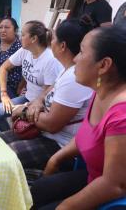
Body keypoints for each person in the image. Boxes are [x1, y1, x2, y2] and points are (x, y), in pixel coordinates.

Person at [31, 26, 126, 209]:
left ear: (104, 65)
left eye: (82, 52)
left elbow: (115, 186)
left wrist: (65, 207)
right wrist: (55, 159)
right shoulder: (100, 93)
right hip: (93, 176)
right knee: (39, 189)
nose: (75, 58)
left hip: (112, 196)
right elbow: (86, 134)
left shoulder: (121, 114)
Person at [0, 19, 93, 176]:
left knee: (1, 156)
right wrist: (38, 101)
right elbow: (49, 90)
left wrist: (22, 111)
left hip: (58, 144)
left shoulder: (73, 78)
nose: (50, 43)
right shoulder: (66, 70)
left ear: (62, 46)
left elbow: (52, 125)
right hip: (42, 133)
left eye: (53, 39)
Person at [0, 21, 62, 131]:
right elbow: (4, 68)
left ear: (33, 39)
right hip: (27, 98)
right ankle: (8, 135)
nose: (20, 37)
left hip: (41, 105)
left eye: (23, 35)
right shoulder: (25, 51)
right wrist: (4, 94)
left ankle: (11, 137)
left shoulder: (50, 60)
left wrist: (24, 108)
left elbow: (46, 94)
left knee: (4, 115)